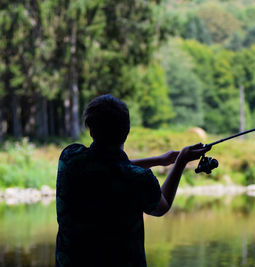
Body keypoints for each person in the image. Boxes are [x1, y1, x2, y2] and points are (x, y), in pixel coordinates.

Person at [56, 94, 210, 267]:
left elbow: (108, 167)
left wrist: (159, 160)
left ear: (91, 130)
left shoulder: (70, 157)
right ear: (126, 131)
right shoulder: (139, 179)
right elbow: (162, 206)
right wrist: (181, 162)